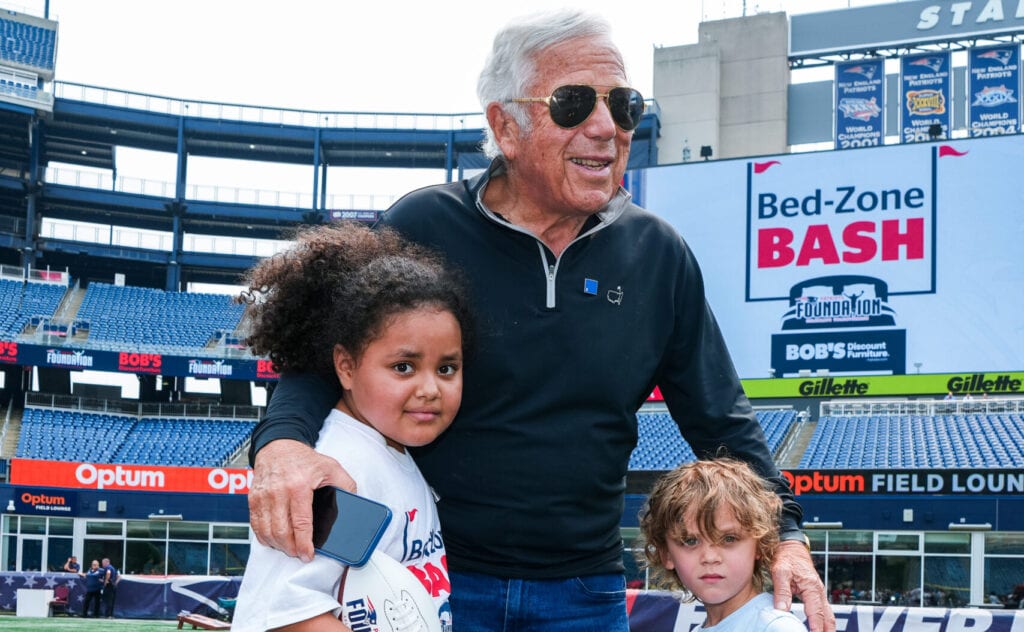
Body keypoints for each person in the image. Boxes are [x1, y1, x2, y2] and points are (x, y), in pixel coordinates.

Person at [246, 9, 834, 632]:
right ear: (506, 126)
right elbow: (324, 359)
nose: (606, 127)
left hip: (584, 592)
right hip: (434, 577)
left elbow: (721, 416)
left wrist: (789, 532)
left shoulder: (657, 254)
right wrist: (281, 447)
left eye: (624, 104)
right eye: (574, 102)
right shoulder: (423, 227)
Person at [232, 223, 470, 631]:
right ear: (345, 366)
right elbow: (287, 615)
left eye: (447, 368)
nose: (431, 389)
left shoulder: (390, 451)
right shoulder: (342, 469)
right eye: (403, 367)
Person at [638, 458, 807, 631]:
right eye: (690, 541)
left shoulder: (776, 627)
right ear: (666, 554)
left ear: (760, 543)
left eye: (729, 539)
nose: (710, 558)